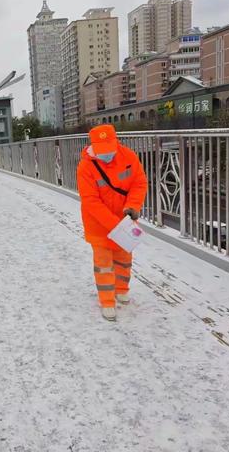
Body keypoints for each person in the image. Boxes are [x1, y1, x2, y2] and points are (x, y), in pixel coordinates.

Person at [77, 124, 148, 322]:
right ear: (94, 146)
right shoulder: (86, 167)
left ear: (116, 142)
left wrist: (132, 206)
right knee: (104, 264)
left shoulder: (128, 156)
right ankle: (107, 301)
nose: (107, 154)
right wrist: (114, 224)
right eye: (103, 151)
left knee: (124, 258)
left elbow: (139, 183)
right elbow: (90, 200)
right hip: (99, 224)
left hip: (124, 220)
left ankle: (122, 289)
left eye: (110, 149)